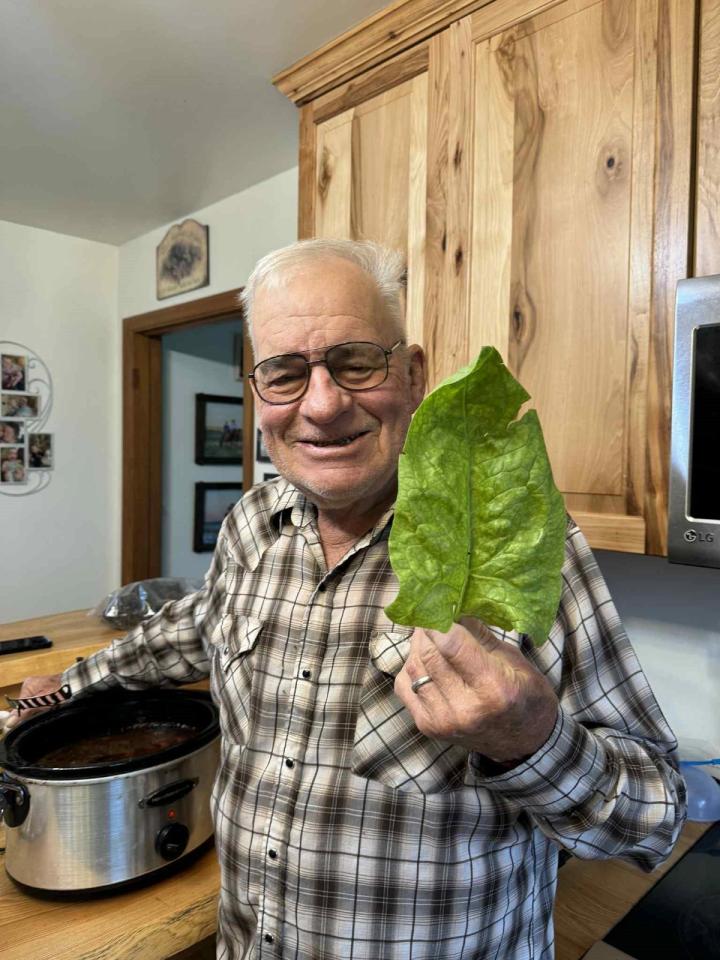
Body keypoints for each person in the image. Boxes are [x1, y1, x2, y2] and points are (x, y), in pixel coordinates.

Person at [13, 239, 686, 960]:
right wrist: (68, 685)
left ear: (413, 373)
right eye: (285, 373)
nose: (325, 404)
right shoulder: (250, 527)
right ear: (258, 395)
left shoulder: (511, 542)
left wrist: (532, 741)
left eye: (356, 361)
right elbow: (191, 628)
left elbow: (655, 820)